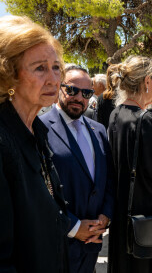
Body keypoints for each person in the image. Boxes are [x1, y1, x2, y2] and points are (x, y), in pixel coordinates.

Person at [0, 15, 69, 272]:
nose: (53, 79)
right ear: (8, 75)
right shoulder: (3, 142)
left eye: (55, 67)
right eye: (40, 68)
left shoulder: (37, 131)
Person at [107, 55, 152, 273]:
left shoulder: (116, 114)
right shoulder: (145, 120)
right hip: (146, 217)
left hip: (122, 213)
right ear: (147, 81)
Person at [40, 65, 114, 273]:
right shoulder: (40, 128)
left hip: (92, 244)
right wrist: (73, 227)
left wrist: (105, 217)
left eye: (86, 93)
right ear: (59, 88)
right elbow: (39, 190)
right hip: (58, 244)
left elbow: (108, 178)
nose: (79, 98)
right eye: (72, 90)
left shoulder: (98, 130)